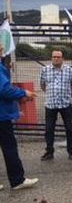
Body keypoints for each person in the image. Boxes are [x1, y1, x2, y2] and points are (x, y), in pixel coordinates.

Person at [0, 48, 38, 190]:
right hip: (2, 115)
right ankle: (17, 180)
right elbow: (4, 90)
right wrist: (23, 92)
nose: (3, 51)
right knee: (9, 147)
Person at [40, 50, 72, 161]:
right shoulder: (45, 70)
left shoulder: (70, 70)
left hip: (66, 104)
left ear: (62, 58)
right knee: (49, 130)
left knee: (70, 129)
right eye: (54, 57)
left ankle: (71, 152)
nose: (56, 58)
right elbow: (42, 85)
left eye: (58, 57)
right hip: (50, 104)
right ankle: (49, 152)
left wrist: (65, 93)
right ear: (51, 58)